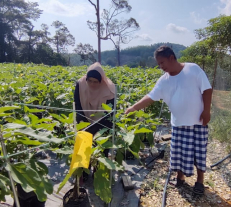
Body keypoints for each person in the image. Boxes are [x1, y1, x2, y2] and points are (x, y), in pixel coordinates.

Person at [125, 45, 212, 196]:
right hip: (178, 123)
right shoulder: (163, 81)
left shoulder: (193, 69)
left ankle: (200, 181)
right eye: (158, 64)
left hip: (198, 121)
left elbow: (207, 89)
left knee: (199, 153)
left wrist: (206, 111)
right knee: (178, 154)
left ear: (171, 58)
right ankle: (180, 178)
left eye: (162, 63)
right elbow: (150, 97)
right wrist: (133, 107)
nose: (160, 67)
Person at [74, 62, 115, 136]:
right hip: (84, 121)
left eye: (95, 82)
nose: (92, 84)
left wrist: (94, 128)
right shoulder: (80, 84)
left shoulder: (109, 89)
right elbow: (78, 106)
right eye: (89, 81)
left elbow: (109, 114)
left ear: (101, 81)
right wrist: (84, 123)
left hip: (103, 124)